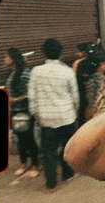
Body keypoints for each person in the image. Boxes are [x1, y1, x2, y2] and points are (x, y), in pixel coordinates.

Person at [28, 38, 79, 191]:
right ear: (61, 53)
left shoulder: (35, 71)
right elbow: (75, 96)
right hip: (66, 116)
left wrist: (36, 114)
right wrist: (74, 112)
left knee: (48, 151)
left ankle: (51, 183)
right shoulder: (68, 71)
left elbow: (32, 96)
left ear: (44, 53)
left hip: (46, 119)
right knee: (67, 147)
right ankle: (68, 174)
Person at [4, 48, 40, 177]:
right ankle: (23, 163)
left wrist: (16, 99)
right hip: (14, 112)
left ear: (13, 58)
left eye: (6, 56)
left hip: (25, 112)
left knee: (29, 139)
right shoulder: (10, 74)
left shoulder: (25, 73)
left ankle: (35, 165)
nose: (4, 59)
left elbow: (32, 93)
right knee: (19, 139)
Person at [83, 47, 105, 122]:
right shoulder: (93, 80)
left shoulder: (104, 76)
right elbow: (92, 101)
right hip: (99, 115)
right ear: (101, 64)